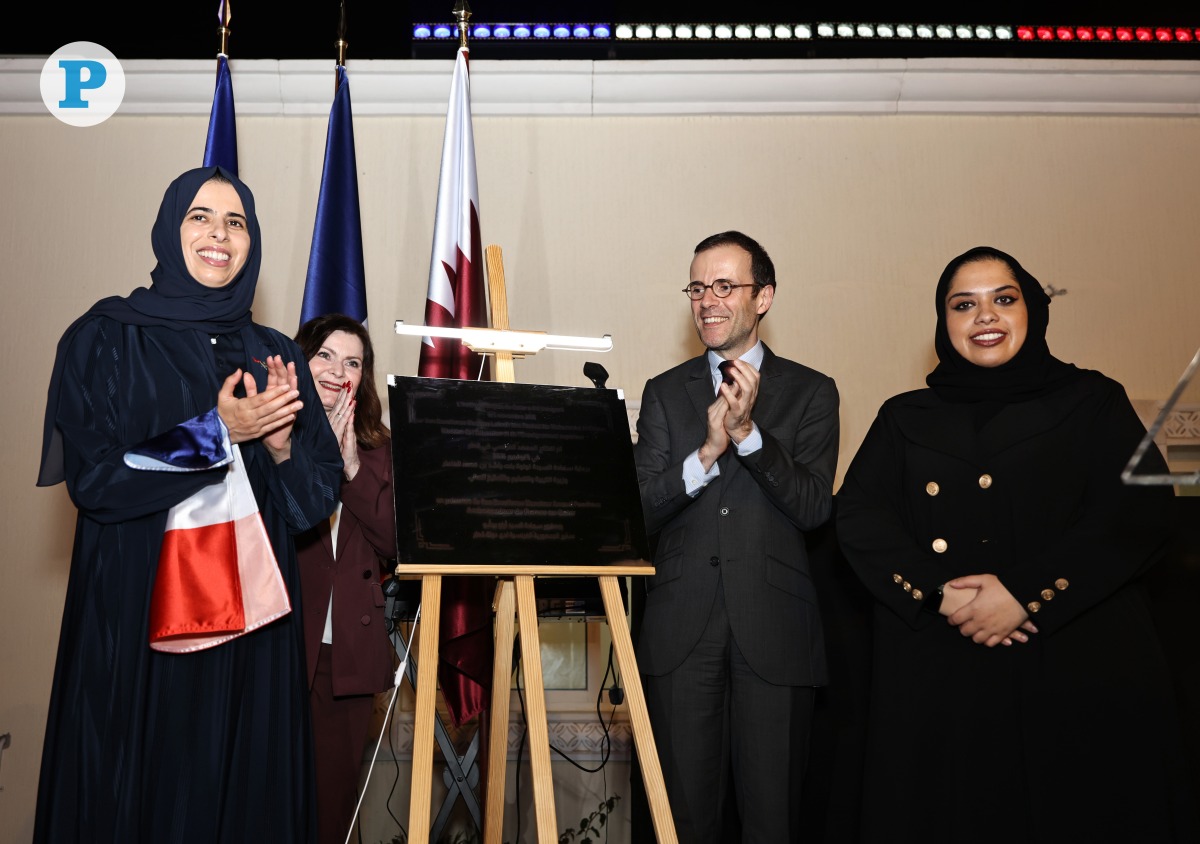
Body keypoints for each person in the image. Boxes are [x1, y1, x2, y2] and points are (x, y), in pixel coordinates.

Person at [836, 245, 1197, 842]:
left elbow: (1139, 512)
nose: (985, 317)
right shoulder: (904, 416)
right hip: (943, 671)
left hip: (1073, 662)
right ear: (943, 323)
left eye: (1004, 300)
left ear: (1032, 311)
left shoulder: (1092, 399)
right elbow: (861, 516)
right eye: (964, 305)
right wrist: (936, 593)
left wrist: (1029, 593)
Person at [34, 165, 342, 844]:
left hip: (252, 638)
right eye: (200, 216)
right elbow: (95, 480)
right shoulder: (105, 338)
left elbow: (314, 503)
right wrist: (218, 433)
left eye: (236, 222)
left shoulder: (274, 354)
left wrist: (285, 445)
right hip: (139, 627)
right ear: (170, 229)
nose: (219, 235)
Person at [633, 231, 840, 843]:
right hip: (679, 631)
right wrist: (705, 453)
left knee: (773, 820)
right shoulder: (664, 392)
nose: (707, 301)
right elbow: (638, 511)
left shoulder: (811, 391)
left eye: (725, 285)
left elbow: (812, 507)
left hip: (775, 633)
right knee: (683, 823)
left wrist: (749, 437)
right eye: (698, 287)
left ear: (764, 296)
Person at [293, 314, 397, 844]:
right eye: (326, 356)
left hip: (347, 660)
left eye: (352, 361)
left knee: (329, 817)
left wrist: (352, 468)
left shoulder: (382, 453)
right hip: (280, 652)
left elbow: (398, 545)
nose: (338, 370)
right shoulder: (270, 438)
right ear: (299, 362)